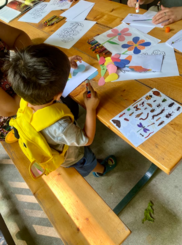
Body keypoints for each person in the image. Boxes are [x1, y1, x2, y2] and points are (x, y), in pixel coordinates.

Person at [5, 43, 117, 177]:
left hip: (48, 137)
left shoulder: (26, 96)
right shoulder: (60, 127)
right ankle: (101, 169)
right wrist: (90, 109)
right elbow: (87, 139)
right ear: (59, 95)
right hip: (72, 156)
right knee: (87, 160)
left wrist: (63, 67)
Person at [0, 22, 79, 141]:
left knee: (70, 103)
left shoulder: (26, 85)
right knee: (71, 105)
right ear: (57, 95)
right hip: (12, 115)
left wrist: (43, 68)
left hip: (23, 83)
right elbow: (9, 108)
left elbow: (19, 36)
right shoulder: (59, 126)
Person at [0, 22, 32, 140]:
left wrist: (30, 62)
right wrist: (34, 74)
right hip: (11, 118)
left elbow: (19, 37)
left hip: (21, 81)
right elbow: (10, 108)